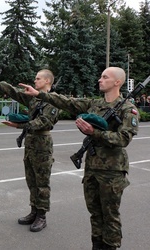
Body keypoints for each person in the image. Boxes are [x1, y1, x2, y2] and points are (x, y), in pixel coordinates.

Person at [19, 67, 138, 249]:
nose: (100, 80)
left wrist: (94, 132)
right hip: (92, 169)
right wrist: (40, 94)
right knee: (95, 214)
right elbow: (66, 102)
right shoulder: (94, 104)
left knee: (110, 216)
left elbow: (123, 139)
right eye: (100, 76)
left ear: (117, 82)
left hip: (112, 172)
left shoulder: (128, 109)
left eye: (105, 77)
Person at [0, 69, 59, 232]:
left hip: (42, 143)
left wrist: (20, 126)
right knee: (31, 179)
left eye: (38, 79)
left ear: (47, 82)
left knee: (42, 182)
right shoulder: (34, 99)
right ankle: (34, 211)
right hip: (30, 142)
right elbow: (14, 92)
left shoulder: (53, 101)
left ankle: (42, 216)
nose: (35, 81)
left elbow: (44, 122)